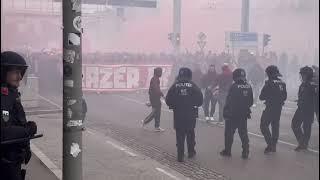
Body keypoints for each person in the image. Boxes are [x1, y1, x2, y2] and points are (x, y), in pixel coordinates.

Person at [1, 51, 38, 180]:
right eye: (15, 72)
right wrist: (28, 130)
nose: (20, 77)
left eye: (21, 72)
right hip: (6, 163)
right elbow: (4, 131)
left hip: (12, 160)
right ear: (4, 72)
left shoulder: (11, 94)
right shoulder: (4, 97)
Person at [165, 67, 203, 162]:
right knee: (190, 133)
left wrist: (173, 106)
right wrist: (194, 104)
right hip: (191, 114)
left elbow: (168, 100)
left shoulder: (175, 85)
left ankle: (180, 155)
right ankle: (191, 152)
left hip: (178, 114)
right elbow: (200, 99)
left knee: (180, 135)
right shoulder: (193, 85)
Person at [220, 68, 253, 159]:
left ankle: (228, 151)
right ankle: (245, 152)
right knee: (243, 133)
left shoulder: (234, 86)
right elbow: (251, 101)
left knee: (229, 133)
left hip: (232, 114)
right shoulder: (249, 86)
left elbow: (229, 101)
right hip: (244, 114)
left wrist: (226, 112)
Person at [259, 65, 287, 154]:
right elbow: (285, 97)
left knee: (264, 125)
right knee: (275, 126)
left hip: (270, 107)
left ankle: (270, 145)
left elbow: (261, 97)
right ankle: (274, 145)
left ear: (269, 73)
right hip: (278, 108)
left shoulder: (269, 83)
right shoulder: (282, 83)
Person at [291, 66, 317, 151]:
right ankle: (303, 143)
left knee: (298, 125)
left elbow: (314, 97)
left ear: (307, 75)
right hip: (304, 107)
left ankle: (303, 143)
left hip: (306, 108)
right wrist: (300, 99)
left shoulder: (312, 85)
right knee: (305, 126)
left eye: (303, 74)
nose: (301, 76)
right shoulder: (306, 83)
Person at [141, 67, 165, 132]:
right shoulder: (155, 79)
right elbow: (156, 89)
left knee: (157, 112)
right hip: (155, 98)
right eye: (160, 72)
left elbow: (152, 89)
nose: (161, 73)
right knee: (155, 112)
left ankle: (157, 127)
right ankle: (145, 121)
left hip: (155, 98)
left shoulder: (155, 78)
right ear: (158, 73)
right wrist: (162, 95)